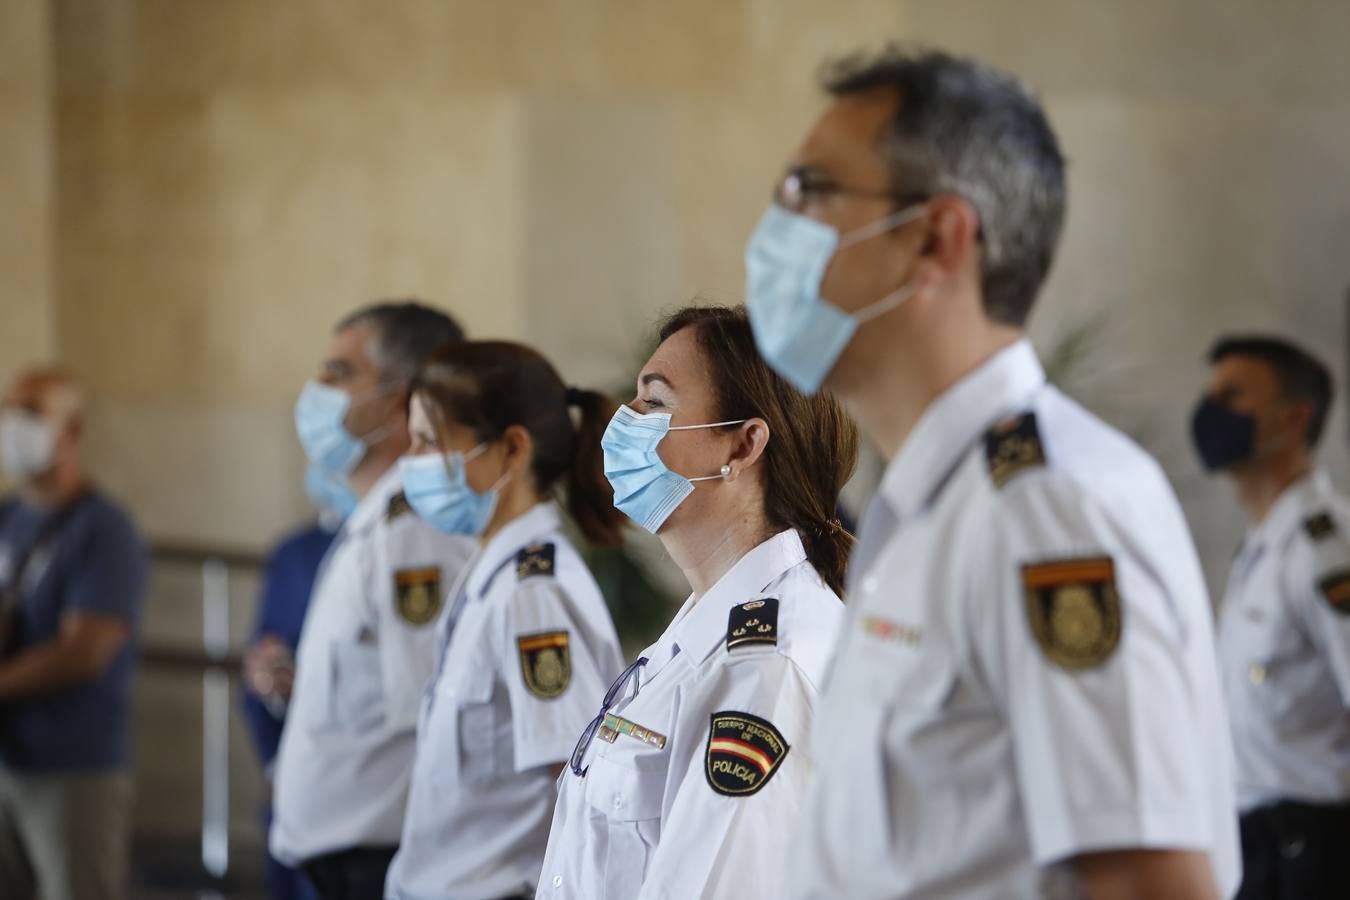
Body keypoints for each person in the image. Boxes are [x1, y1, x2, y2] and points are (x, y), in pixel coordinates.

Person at [743, 47, 1240, 898]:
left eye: (811, 192)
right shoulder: (928, 510)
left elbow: (1145, 880)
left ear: (936, 238)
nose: (776, 227)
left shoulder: (1049, 511)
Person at [539, 305, 858, 899]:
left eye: (655, 404)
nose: (623, 423)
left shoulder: (766, 667)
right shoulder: (705, 629)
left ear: (742, 445)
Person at [382, 340, 625, 900]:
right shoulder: (494, 575)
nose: (410, 462)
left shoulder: (531, 594)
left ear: (512, 449)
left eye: (429, 443)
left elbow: (576, 778)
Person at [270, 302, 475, 900]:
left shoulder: (416, 531)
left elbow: (428, 715)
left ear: (402, 397)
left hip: (380, 863)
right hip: (348, 859)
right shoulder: (377, 520)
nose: (316, 391)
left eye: (338, 374)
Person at [1196, 336, 1350, 898]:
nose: (1209, 411)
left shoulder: (1325, 549)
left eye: (1232, 396)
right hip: (1255, 846)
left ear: (1295, 418)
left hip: (1313, 849)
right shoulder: (1260, 550)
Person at [0, 366, 146, 900]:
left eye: (32, 413)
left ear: (72, 431)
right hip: (8, 762)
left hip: (73, 769)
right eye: (10, 410)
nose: (14, 426)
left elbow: (84, 652)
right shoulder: (9, 517)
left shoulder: (104, 528)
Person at [242, 465, 353, 900]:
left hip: (367, 796)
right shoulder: (294, 554)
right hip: (296, 779)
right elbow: (262, 658)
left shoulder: (413, 550)